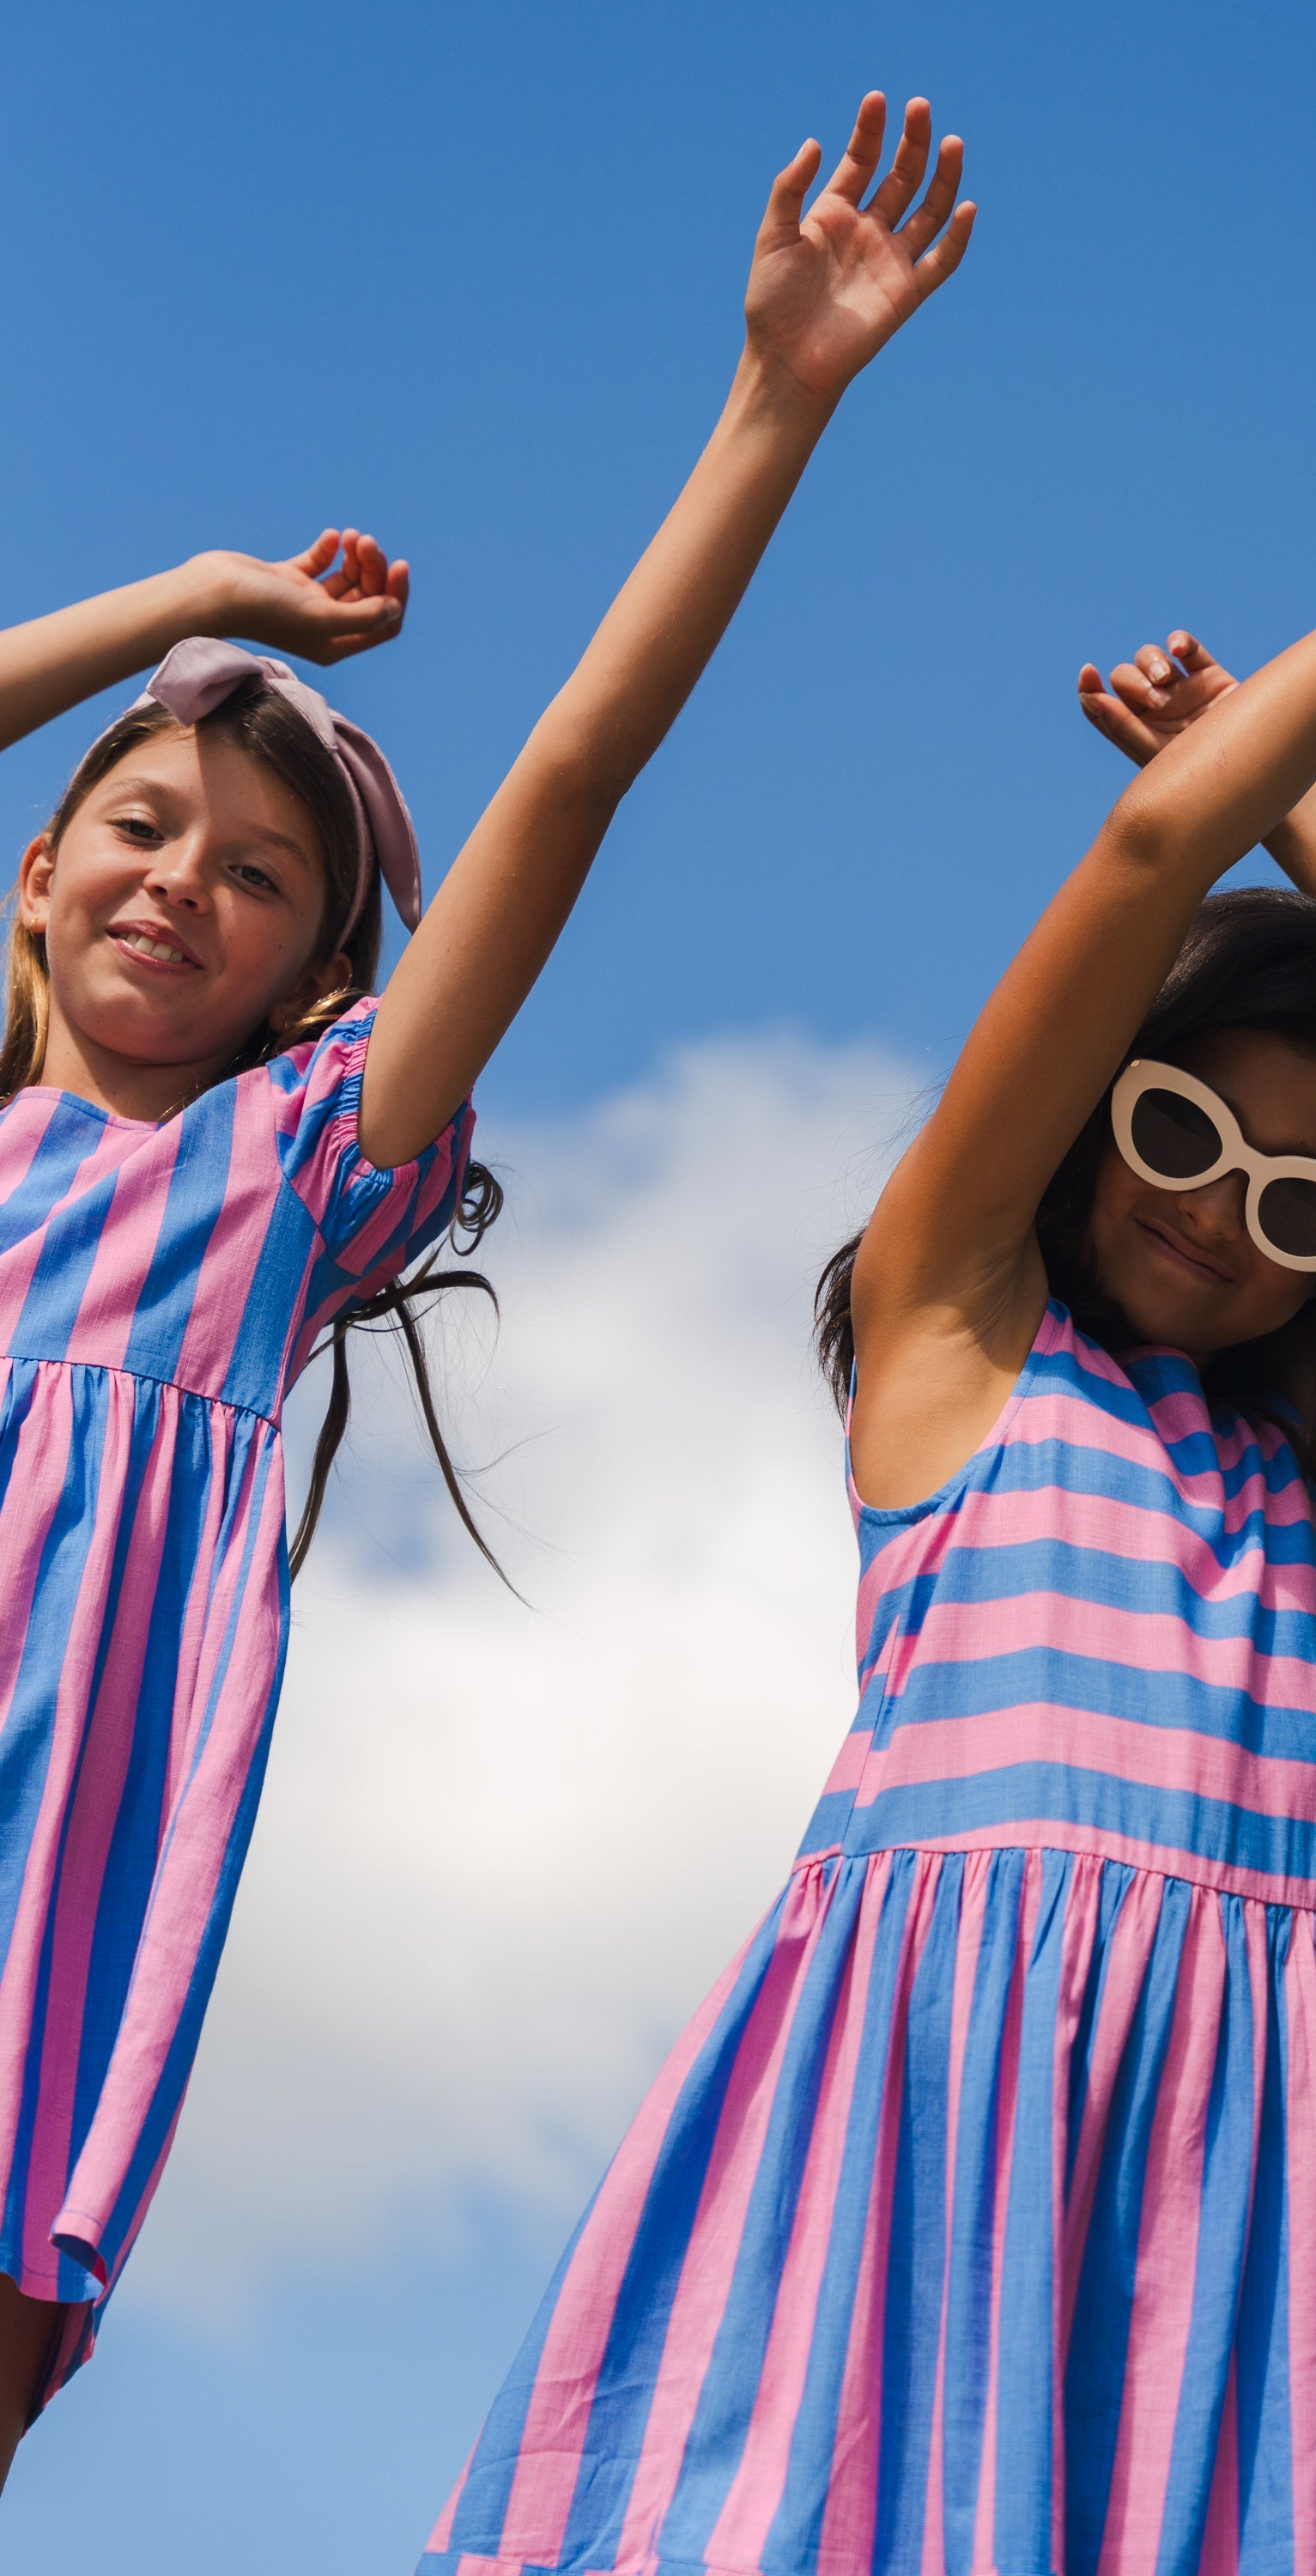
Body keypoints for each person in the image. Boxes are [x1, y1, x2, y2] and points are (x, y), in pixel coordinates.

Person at [418, 457, 1316, 2576]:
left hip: (1213, 2151)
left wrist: (1273, 788)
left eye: (1304, 1200)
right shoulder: (960, 1333)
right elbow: (1140, 859)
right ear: (1107, 1099)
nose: (1219, 1207)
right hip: (928, 2104)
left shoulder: (1282, 1467)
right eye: (1187, 1126)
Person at [0, 90, 973, 2476]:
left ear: (323, 982)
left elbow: (567, 781)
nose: (176, 887)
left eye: (254, 877)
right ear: (34, 872)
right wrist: (185, 611)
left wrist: (777, 405)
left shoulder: (280, 1182)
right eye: (139, 828)